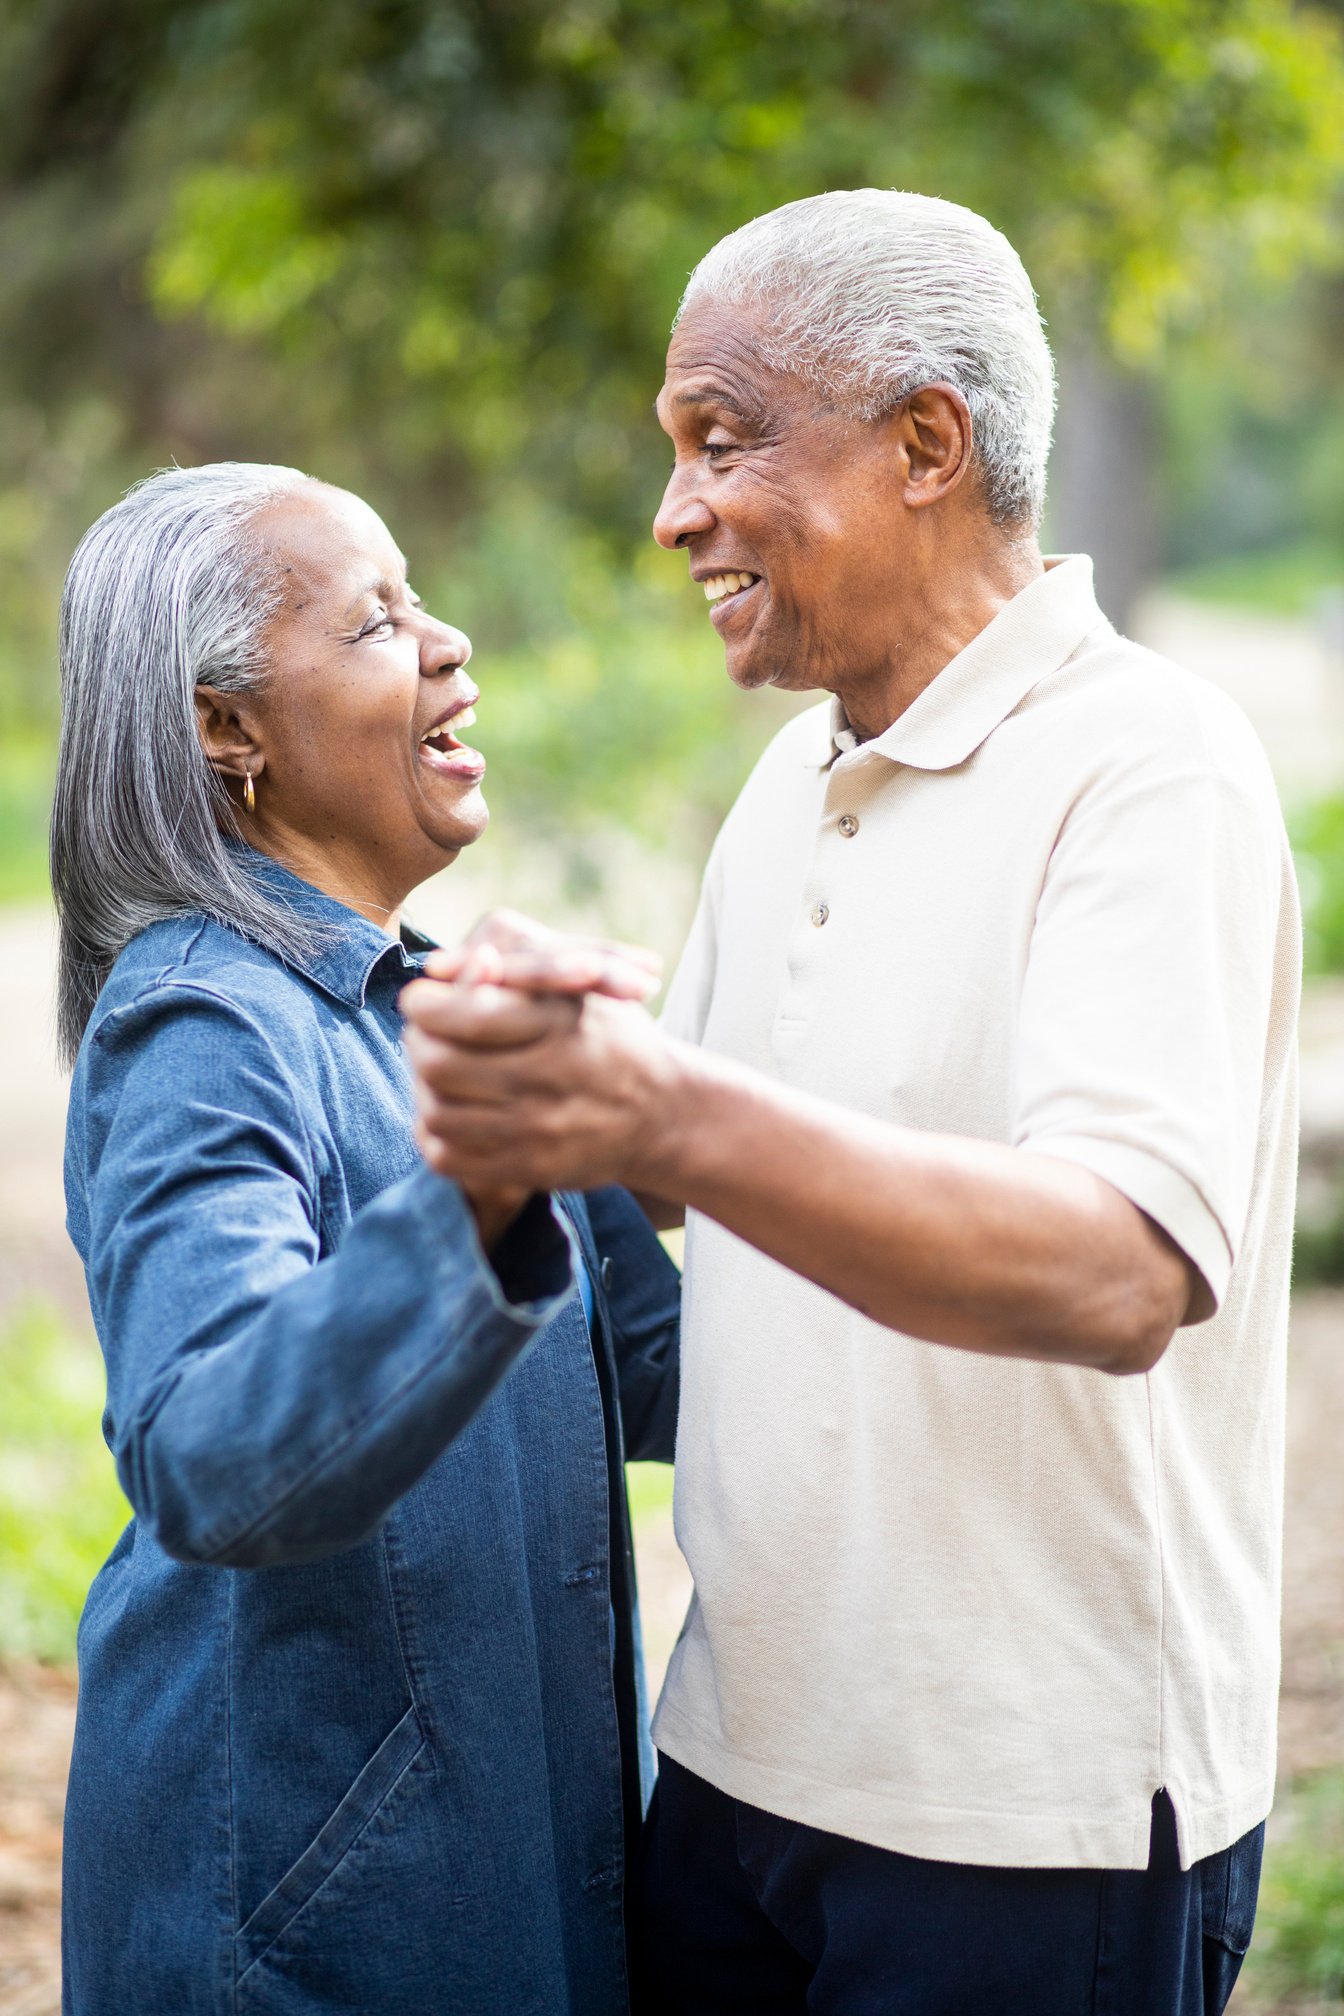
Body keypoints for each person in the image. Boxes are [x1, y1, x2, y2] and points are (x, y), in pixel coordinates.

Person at [400, 191, 1300, 2015]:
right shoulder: (796, 784)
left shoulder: (1151, 770)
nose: (674, 513)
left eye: (722, 440)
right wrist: (507, 1042)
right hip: (736, 1767)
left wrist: (655, 1113)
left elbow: (1118, 1270)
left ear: (926, 444)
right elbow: (677, 1183)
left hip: (1020, 1826)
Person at [51, 462, 679, 2016]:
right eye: (377, 621)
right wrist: (477, 1182)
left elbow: (664, 1375)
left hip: (504, 1870)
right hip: (308, 1923)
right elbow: (206, 1448)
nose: (450, 641)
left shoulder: (434, 1008)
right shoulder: (203, 1022)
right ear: (228, 727)